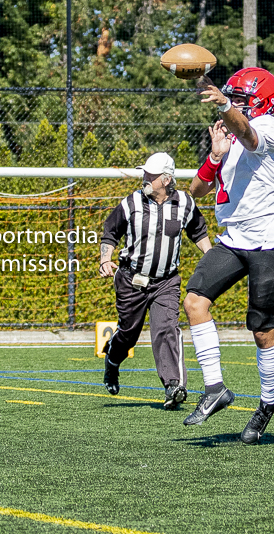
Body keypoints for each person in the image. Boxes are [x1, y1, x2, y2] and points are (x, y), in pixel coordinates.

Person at [182, 68, 274, 445]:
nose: (236, 105)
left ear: (262, 101)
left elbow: (249, 134)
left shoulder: (272, 127)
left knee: (261, 329)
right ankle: (215, 388)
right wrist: (215, 157)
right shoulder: (229, 135)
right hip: (234, 237)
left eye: (242, 98)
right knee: (195, 302)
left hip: (267, 235)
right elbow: (196, 190)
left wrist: (227, 105)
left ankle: (266, 403)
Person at [100, 152, 211, 409]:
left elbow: (199, 232)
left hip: (166, 282)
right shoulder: (131, 204)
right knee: (128, 334)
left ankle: (174, 385)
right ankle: (112, 362)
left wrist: (212, 258)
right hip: (131, 279)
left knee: (166, 330)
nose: (145, 178)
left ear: (166, 179)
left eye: (150, 174)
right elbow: (110, 233)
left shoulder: (184, 203)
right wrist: (105, 260)